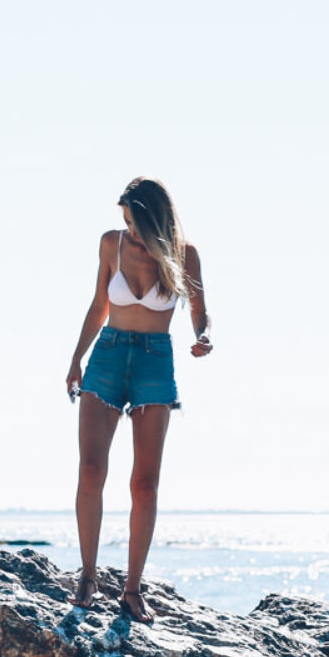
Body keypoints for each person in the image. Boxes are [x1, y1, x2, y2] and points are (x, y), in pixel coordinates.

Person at [65, 176, 212, 624]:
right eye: (124, 221)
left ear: (151, 219)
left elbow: (200, 310)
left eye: (133, 221)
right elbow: (98, 306)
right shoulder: (110, 245)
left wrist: (204, 337)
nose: (127, 229)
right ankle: (88, 577)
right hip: (107, 357)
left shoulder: (185, 255)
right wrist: (76, 360)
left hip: (155, 362)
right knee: (91, 470)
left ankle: (132, 590)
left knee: (143, 484)